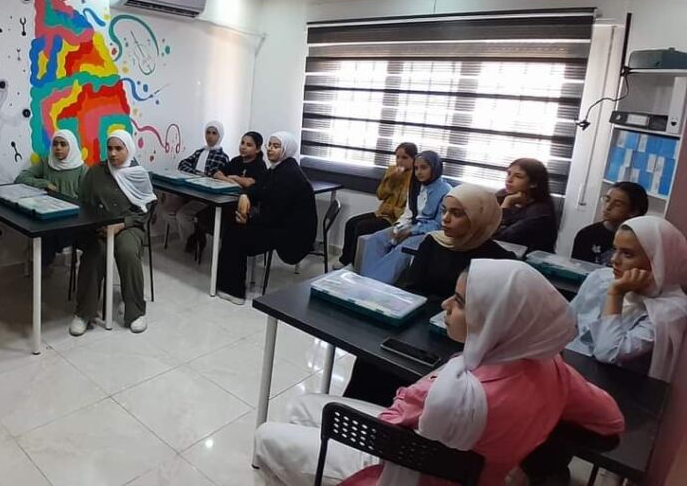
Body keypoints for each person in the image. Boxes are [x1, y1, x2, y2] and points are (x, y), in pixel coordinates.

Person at [254, 260, 624, 486]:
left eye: (460, 303)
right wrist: (539, 440)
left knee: (267, 436)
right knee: (302, 406)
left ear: (495, 318)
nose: (446, 305)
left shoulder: (456, 393)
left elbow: (389, 429)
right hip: (471, 470)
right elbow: (609, 421)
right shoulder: (552, 368)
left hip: (403, 470)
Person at [343, 184, 516, 406]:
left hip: (462, 339)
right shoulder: (433, 242)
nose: (445, 219)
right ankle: (358, 414)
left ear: (479, 218)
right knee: (372, 359)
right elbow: (412, 288)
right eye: (444, 211)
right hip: (421, 327)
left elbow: (493, 313)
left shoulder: (500, 260)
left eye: (456, 214)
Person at [568, 216, 687, 381]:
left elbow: (607, 352)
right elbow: (566, 324)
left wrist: (615, 295)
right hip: (570, 371)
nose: (614, 260)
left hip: (612, 386)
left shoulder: (670, 310)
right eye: (615, 249)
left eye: (627, 254)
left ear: (658, 261)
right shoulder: (600, 279)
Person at [70, 130, 156, 336]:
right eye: (109, 148)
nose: (113, 153)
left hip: (129, 226)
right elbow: (83, 205)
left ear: (129, 149)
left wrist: (122, 224)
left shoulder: (138, 173)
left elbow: (145, 211)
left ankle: (135, 312)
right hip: (99, 228)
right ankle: (84, 313)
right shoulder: (95, 172)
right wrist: (96, 225)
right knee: (94, 254)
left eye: (118, 148)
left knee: (127, 251)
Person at [215, 131, 317, 304]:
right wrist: (246, 195)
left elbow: (275, 214)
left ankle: (235, 292)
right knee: (233, 227)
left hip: (290, 233)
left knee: (237, 235)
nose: (270, 149)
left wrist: (249, 219)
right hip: (278, 224)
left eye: (276, 146)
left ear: (286, 150)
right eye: (269, 145)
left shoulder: (289, 174)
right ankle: (227, 286)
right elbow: (258, 188)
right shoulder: (276, 169)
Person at [359, 151, 450, 284]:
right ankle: (365, 281)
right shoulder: (415, 186)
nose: (419, 172)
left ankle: (374, 285)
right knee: (376, 239)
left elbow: (438, 225)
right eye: (416, 168)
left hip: (428, 233)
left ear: (435, 168)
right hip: (410, 225)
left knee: (402, 249)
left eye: (424, 168)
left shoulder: (445, 191)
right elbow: (409, 213)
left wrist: (411, 231)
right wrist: (398, 228)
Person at [337, 142, 417, 269]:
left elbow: (412, 209)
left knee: (362, 227)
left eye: (404, 158)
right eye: (397, 157)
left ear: (413, 159)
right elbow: (380, 195)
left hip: (396, 219)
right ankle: (344, 259)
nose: (399, 161)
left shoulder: (415, 178)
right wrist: (392, 179)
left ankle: (354, 263)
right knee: (351, 222)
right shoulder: (392, 171)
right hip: (381, 213)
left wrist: (394, 210)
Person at [15, 129, 89, 265]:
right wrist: (44, 183)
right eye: (55, 144)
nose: (58, 148)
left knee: (53, 236)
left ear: (71, 146)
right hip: (48, 215)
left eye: (63, 144)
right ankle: (41, 271)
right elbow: (21, 179)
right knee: (42, 236)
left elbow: (87, 200)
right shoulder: (46, 162)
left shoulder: (82, 169)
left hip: (72, 219)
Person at [163, 121, 229, 252]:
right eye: (208, 133)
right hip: (188, 191)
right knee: (166, 212)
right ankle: (193, 237)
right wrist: (197, 173)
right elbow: (183, 164)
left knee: (182, 215)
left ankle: (193, 240)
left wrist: (197, 173)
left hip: (206, 196)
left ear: (219, 136)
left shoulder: (222, 157)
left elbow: (213, 175)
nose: (210, 136)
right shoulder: (200, 152)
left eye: (214, 133)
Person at [199, 131, 268, 240]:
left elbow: (248, 183)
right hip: (225, 199)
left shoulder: (259, 165)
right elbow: (217, 174)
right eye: (242, 143)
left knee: (228, 220)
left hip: (244, 205)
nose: (243, 147)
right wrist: (233, 181)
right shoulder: (236, 160)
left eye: (249, 145)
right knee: (203, 213)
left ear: (257, 149)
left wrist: (235, 177)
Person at [571, 182, 648, 265]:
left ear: (634, 211)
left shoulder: (641, 241)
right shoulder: (587, 234)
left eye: (617, 204)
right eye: (607, 200)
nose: (608, 207)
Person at [494, 158, 558, 252]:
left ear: (533, 183)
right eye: (508, 174)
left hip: (526, 259)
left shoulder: (540, 213)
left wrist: (506, 204)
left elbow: (500, 238)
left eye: (518, 176)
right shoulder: (502, 194)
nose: (509, 180)